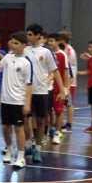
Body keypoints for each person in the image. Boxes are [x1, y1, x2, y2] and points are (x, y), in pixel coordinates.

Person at [0, 31, 33, 170]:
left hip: (18, 101)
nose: (13, 45)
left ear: (24, 45)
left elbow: (28, 85)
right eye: (12, 43)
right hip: (5, 100)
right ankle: (9, 148)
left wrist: (27, 103)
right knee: (5, 127)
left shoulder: (26, 63)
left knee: (18, 128)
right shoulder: (7, 58)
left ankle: (20, 157)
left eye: (16, 43)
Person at [24, 23, 64, 165]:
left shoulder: (46, 52)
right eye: (27, 34)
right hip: (26, 92)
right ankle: (28, 144)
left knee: (41, 121)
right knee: (25, 119)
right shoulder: (24, 49)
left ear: (38, 36)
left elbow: (55, 71)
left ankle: (37, 149)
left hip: (41, 91)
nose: (28, 37)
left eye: (30, 34)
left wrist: (62, 89)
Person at [46, 33, 70, 143]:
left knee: (58, 111)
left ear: (57, 42)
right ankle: (50, 129)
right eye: (49, 41)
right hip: (48, 88)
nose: (50, 43)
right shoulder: (47, 53)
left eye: (52, 41)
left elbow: (66, 73)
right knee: (48, 111)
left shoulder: (62, 55)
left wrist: (64, 89)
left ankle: (57, 133)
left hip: (58, 88)